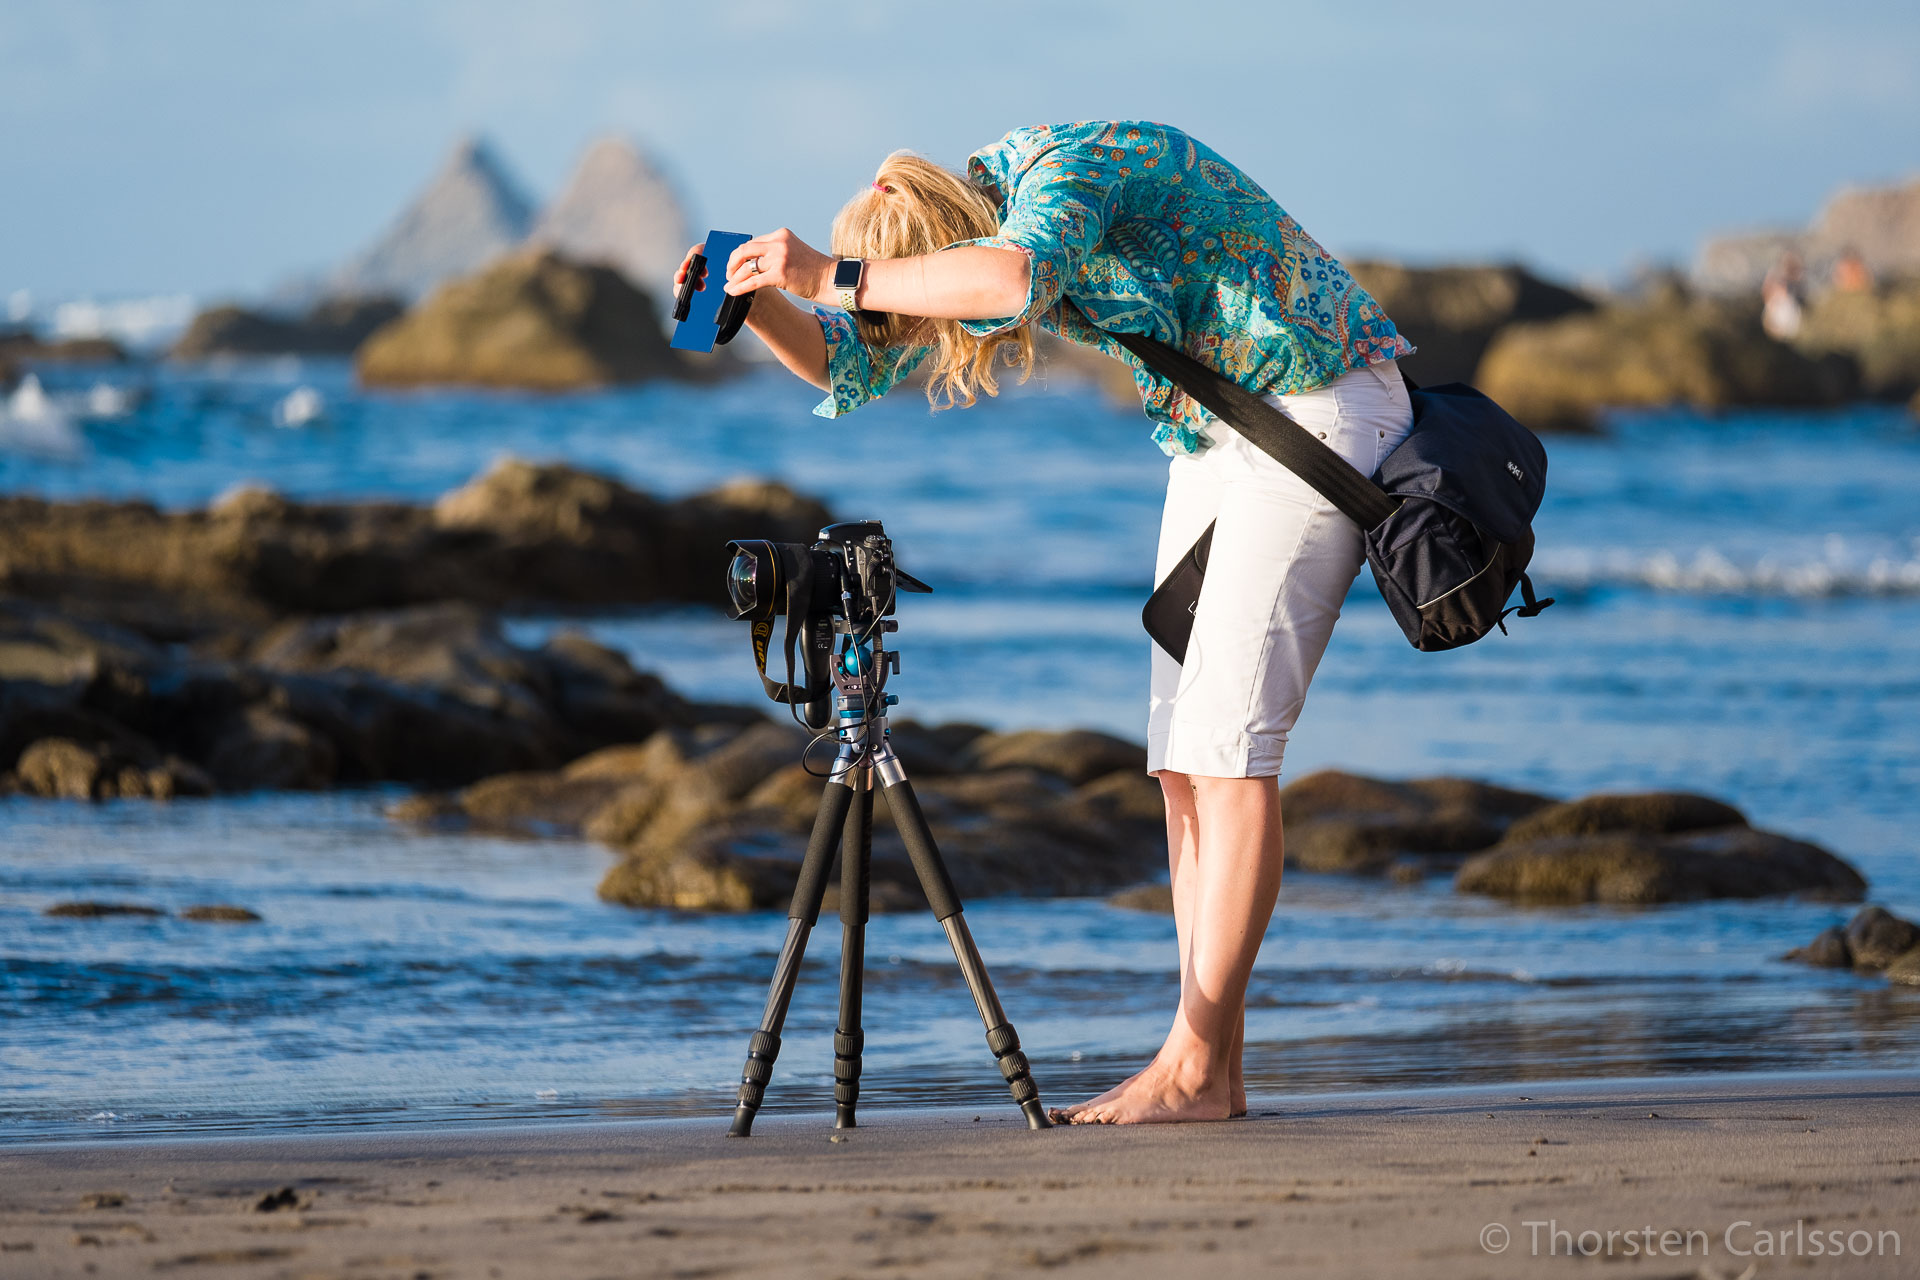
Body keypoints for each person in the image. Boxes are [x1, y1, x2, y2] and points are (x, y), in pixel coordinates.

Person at [683, 121, 1414, 1125]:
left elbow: (1008, 282)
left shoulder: (1064, 172)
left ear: (946, 236)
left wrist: (836, 271)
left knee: (1234, 750)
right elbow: (858, 362)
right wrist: (762, 302)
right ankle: (1215, 1070)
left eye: (915, 286)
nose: (928, 323)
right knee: (1182, 760)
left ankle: (1193, 1066)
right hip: (1216, 433)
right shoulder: (981, 241)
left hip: (1313, 405)